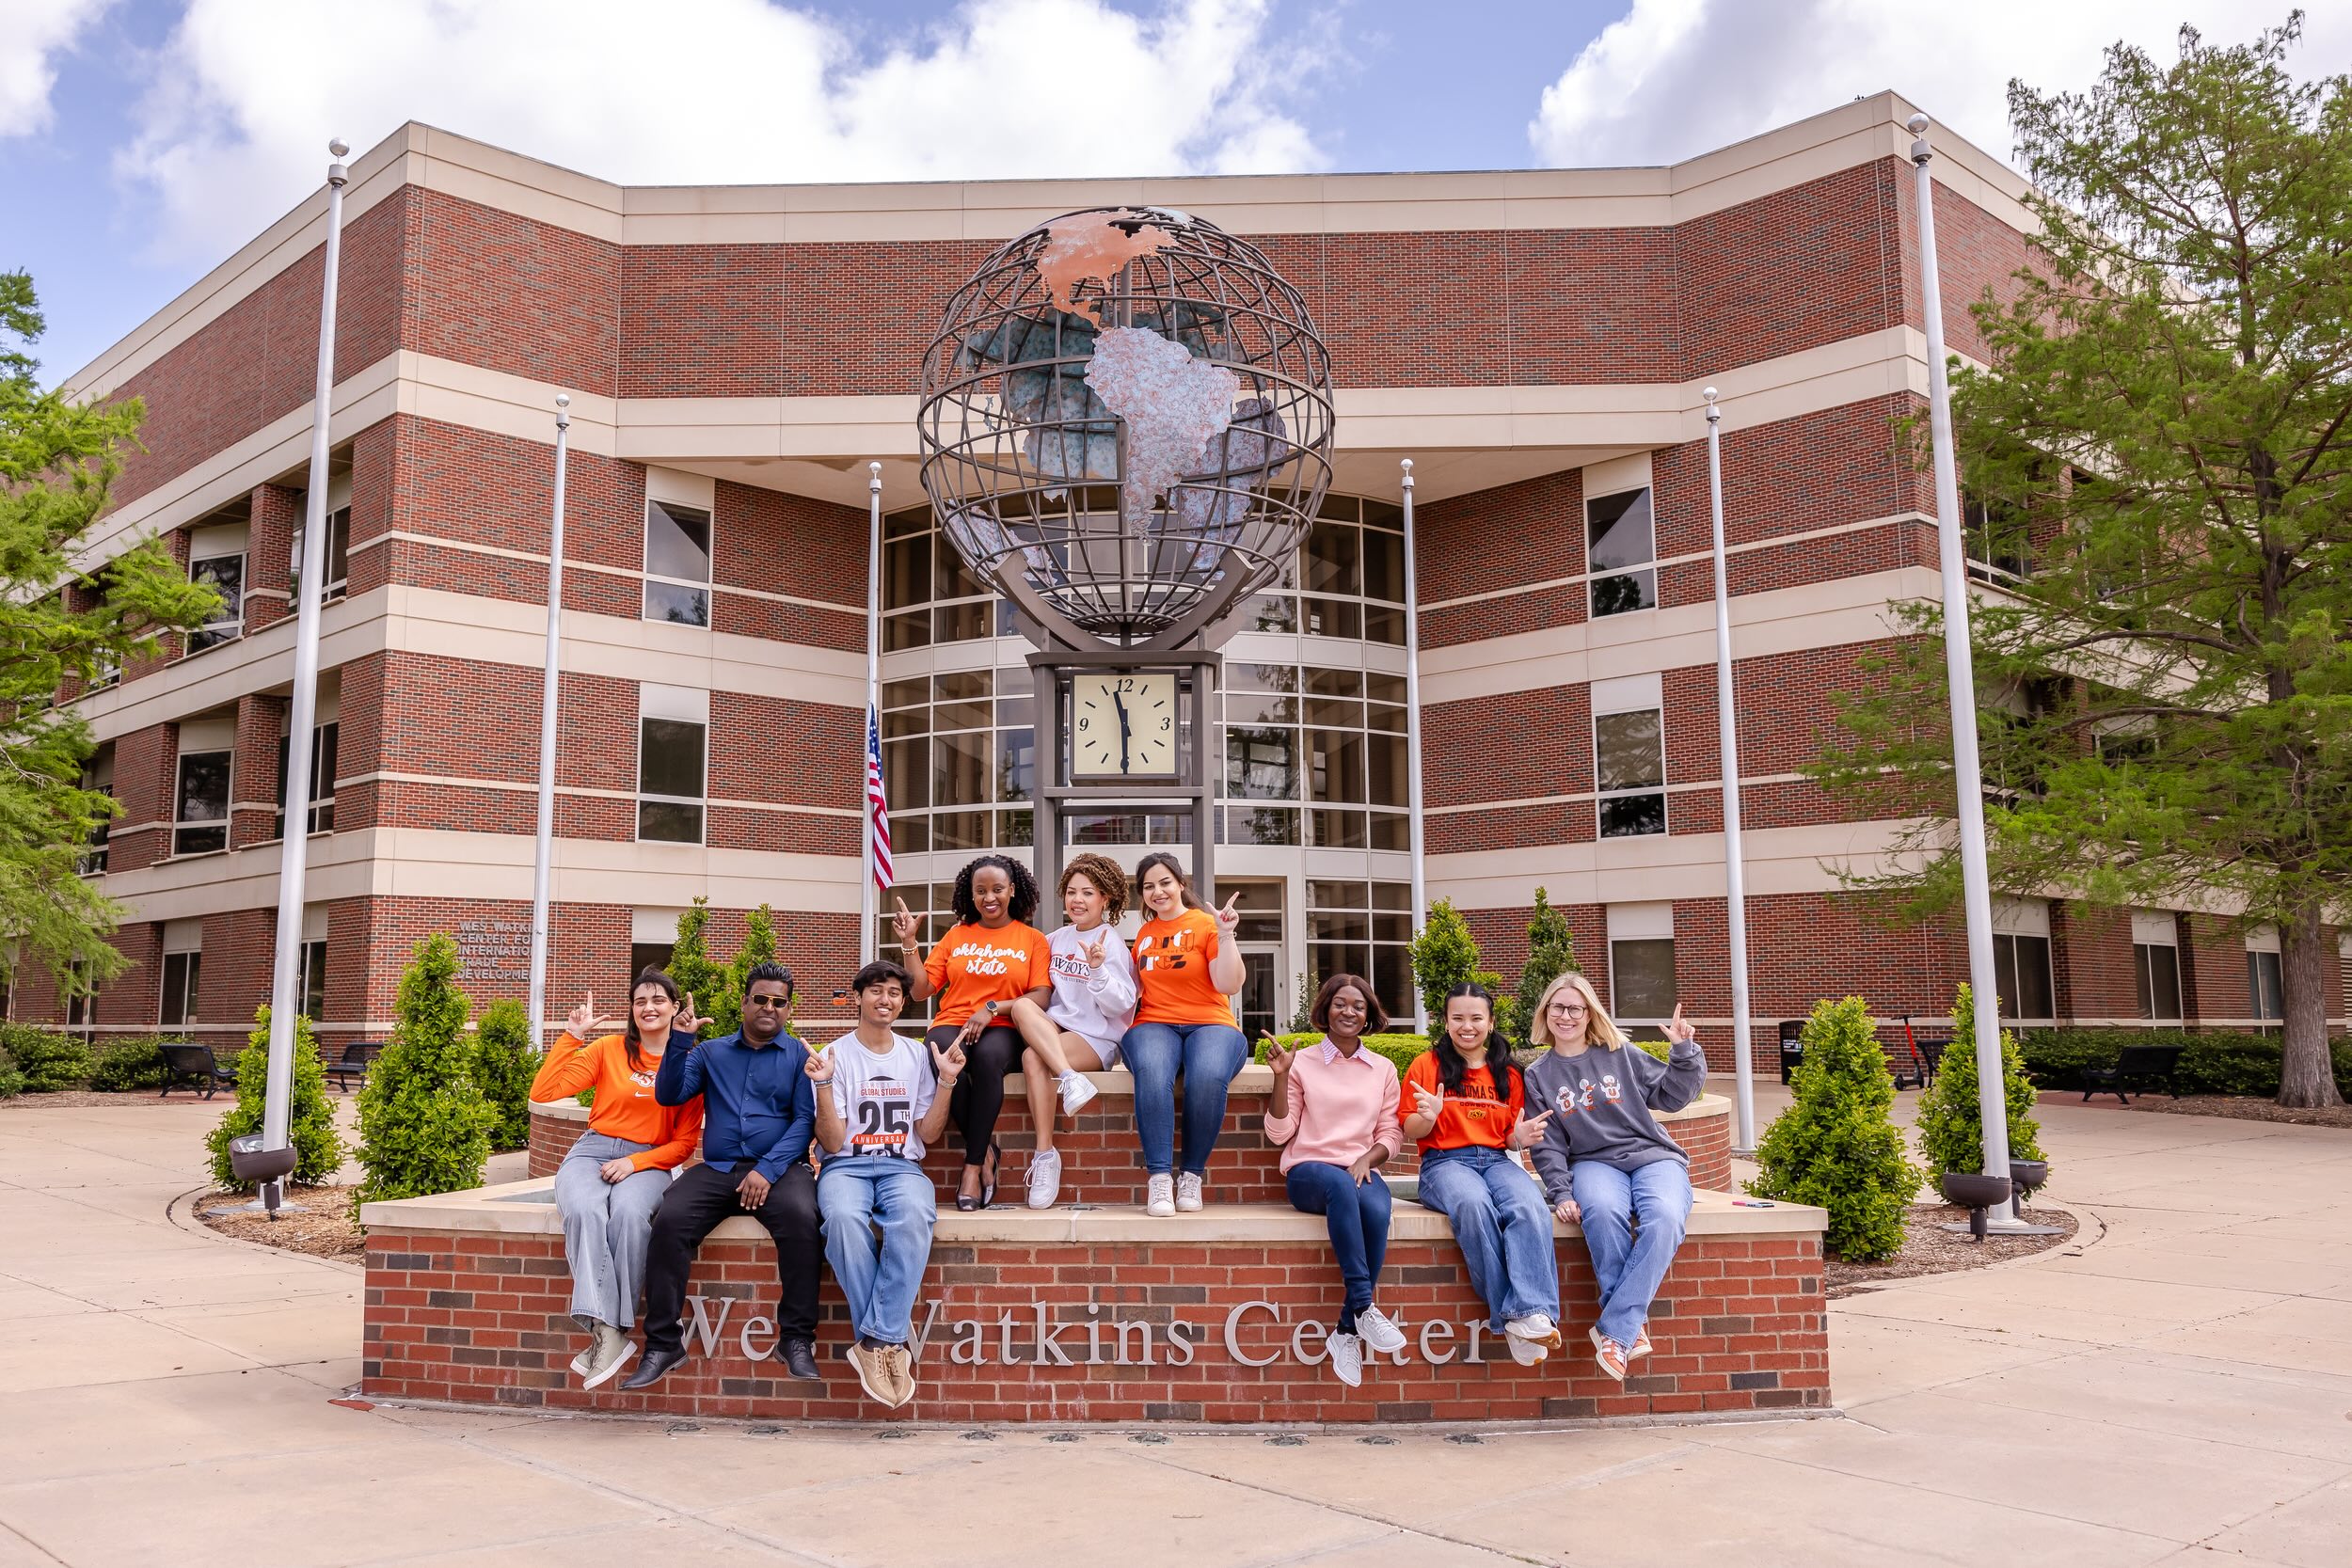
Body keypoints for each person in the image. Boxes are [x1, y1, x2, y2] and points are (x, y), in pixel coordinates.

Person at [626, 962, 821, 1388]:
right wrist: (680, 1041)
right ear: (744, 1002)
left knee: (805, 1222)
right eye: (761, 999)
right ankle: (663, 1344)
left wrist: (767, 1171)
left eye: (779, 1002)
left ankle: (797, 1339)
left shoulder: (800, 1057)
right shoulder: (710, 1052)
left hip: (781, 1170)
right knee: (669, 1221)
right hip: (717, 1169)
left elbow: (805, 1122)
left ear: (788, 1009)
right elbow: (668, 1094)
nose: (769, 1008)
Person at [1524, 973, 1707, 1382]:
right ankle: (1627, 1329)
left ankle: (1616, 1330)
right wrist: (1561, 1191)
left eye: (1575, 1008)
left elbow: (1673, 1097)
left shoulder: (1619, 1052)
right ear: (1546, 1013)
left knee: (1663, 1219)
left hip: (1653, 1156)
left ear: (1589, 1014)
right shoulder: (1539, 1075)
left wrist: (1683, 1050)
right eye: (1558, 1007)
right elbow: (1547, 1143)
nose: (1566, 1016)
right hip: (1592, 1162)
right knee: (1603, 1213)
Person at [529, 972, 706, 1389]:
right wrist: (571, 1037)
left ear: (675, 1008)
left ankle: (607, 1331)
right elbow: (545, 1090)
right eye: (640, 1000)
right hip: (592, 1151)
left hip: (651, 1161)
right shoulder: (609, 1049)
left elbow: (683, 1143)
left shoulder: (689, 1063)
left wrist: (637, 1162)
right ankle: (609, 1332)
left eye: (659, 1000)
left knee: (628, 1215)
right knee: (586, 1210)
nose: (649, 1007)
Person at [808, 960, 965, 1410]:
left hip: (900, 1166)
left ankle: (874, 1342)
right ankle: (889, 1341)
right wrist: (822, 1085)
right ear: (858, 997)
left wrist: (948, 1081)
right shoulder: (835, 1054)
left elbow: (929, 1134)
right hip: (847, 1165)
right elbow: (833, 1140)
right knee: (840, 1220)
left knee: (915, 1217)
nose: (886, 1000)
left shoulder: (917, 1055)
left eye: (895, 993)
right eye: (876, 990)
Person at [1399, 981, 1562, 1366]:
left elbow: (1510, 1137)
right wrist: (1429, 1116)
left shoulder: (1506, 1071)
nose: (1466, 1026)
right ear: (1445, 1021)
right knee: (1474, 1205)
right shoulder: (1426, 1065)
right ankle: (1515, 1317)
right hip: (1444, 1163)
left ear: (1490, 1023)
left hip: (1496, 1160)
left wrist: (1518, 1138)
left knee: (1529, 1206)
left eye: (1476, 1018)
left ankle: (1533, 1313)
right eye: (1457, 1018)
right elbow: (1410, 1131)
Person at [1261, 974, 1406, 1388]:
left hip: (1360, 1168)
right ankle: (1364, 1305)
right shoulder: (1301, 1061)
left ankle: (1346, 1331)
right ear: (1325, 1009)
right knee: (1342, 1185)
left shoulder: (1382, 1069)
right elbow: (1279, 1134)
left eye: (1358, 1006)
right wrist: (1279, 1077)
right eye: (1340, 1003)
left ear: (1368, 1016)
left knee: (1378, 1208)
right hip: (1309, 1171)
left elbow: (1391, 1134)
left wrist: (1366, 1159)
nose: (1349, 1011)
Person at [890, 854, 1054, 1211]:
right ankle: (984, 1153)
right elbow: (920, 991)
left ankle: (971, 1167)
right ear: (971, 893)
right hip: (953, 1022)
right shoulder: (957, 935)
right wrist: (910, 944)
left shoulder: (1032, 939)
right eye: (980, 890)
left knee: (988, 1058)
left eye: (997, 889)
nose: (988, 897)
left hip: (1005, 1025)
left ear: (1012, 890)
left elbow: (1041, 995)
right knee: (942, 1056)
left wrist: (992, 1008)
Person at [996, 852, 1140, 1208]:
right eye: (1072, 891)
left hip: (1096, 1037)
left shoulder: (1112, 944)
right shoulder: (1053, 939)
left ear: (1105, 898)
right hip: (1057, 1030)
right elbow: (1039, 994)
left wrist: (1096, 970)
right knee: (1026, 1007)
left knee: (1032, 1057)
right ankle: (1049, 1146)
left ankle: (1045, 1153)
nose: (1078, 900)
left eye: (1088, 892)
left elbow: (1120, 1006)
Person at [1121, 852, 1248, 1217]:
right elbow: (1129, 992)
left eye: (1164, 882)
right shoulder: (1144, 934)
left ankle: (1191, 1175)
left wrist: (1226, 935)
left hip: (1210, 1022)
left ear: (1180, 884)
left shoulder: (1206, 924)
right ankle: (1160, 1179)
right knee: (1154, 1071)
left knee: (1206, 1077)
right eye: (1148, 886)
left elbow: (1229, 983)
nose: (1157, 891)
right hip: (1154, 1023)